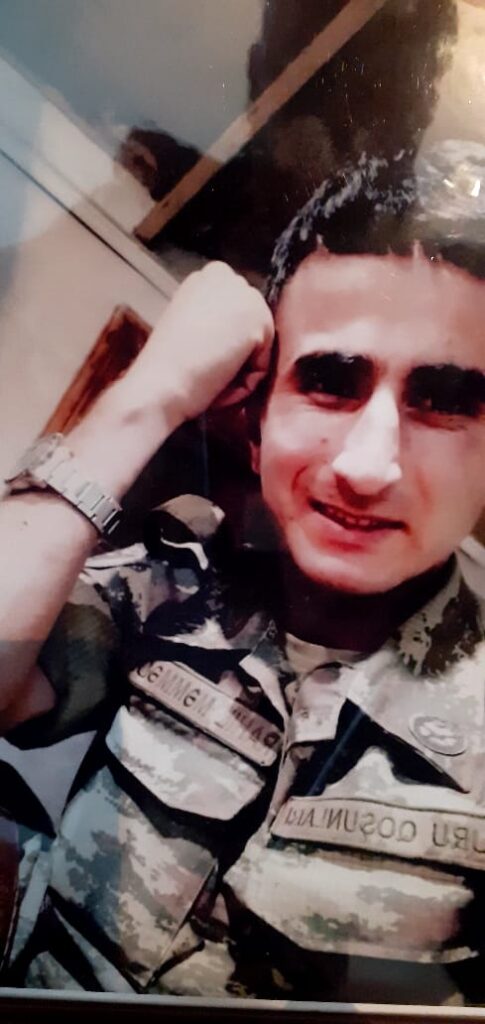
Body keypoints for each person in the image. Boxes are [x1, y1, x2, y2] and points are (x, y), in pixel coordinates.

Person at [1, 152, 485, 1003]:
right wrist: (150, 393)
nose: (367, 467)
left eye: (443, 401)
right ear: (256, 428)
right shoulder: (170, 591)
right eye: (329, 383)